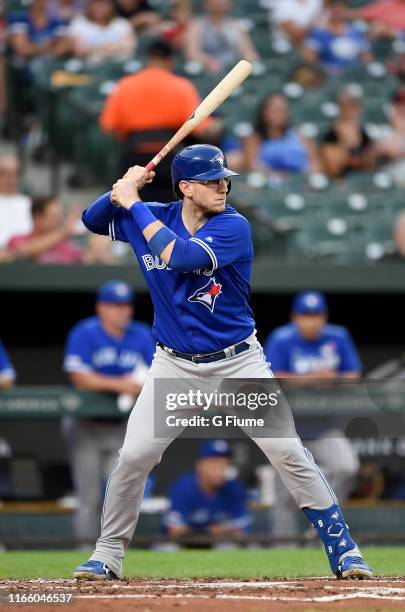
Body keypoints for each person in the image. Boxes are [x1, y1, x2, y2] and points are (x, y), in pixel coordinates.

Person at [72, 143, 372, 581]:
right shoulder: (152, 214)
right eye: (212, 180)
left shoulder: (233, 226)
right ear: (186, 187)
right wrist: (123, 186)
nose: (223, 186)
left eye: (224, 179)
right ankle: (108, 554)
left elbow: (182, 257)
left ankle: (343, 550)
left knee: (287, 451)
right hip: (174, 366)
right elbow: (92, 220)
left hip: (237, 365)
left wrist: (133, 200)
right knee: (135, 455)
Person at [264, 291, 361, 540]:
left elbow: (353, 376)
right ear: (295, 317)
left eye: (316, 315)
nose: (311, 321)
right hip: (288, 428)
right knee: (285, 494)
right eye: (306, 315)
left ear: (324, 317)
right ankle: (282, 550)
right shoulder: (281, 338)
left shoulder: (338, 337)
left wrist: (334, 378)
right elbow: (272, 377)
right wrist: (312, 379)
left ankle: (322, 530)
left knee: (347, 467)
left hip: (324, 426)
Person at [63, 280, 155, 544]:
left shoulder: (140, 334)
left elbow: (153, 373)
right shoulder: (85, 332)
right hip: (86, 425)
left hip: (121, 425)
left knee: (119, 492)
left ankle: (113, 549)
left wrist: (136, 386)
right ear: (101, 307)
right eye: (115, 305)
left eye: (125, 305)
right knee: (89, 495)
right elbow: (80, 377)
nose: (122, 311)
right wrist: (121, 385)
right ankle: (83, 550)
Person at [99, 40, 219, 201]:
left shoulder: (125, 85)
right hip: (168, 158)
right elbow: (202, 129)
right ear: (170, 61)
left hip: (133, 160)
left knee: (131, 214)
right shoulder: (181, 86)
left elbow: (107, 126)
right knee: (168, 218)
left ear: (148, 59)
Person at [163, 439, 250, 538]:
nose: (220, 469)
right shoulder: (183, 488)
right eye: (214, 463)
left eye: (224, 463)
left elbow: (242, 533)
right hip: (185, 544)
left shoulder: (234, 488)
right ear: (200, 466)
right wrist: (207, 532)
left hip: (220, 544)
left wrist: (222, 532)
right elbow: (174, 532)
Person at [243, 92, 319, 175]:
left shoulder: (301, 137)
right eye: (275, 110)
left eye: (283, 110)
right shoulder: (253, 139)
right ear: (264, 112)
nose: (280, 114)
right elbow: (252, 166)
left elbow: (316, 165)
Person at [183, 0, 258, 73]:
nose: (220, 3)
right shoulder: (197, 25)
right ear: (207, 4)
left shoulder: (236, 26)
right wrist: (208, 61)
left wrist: (247, 63)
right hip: (206, 70)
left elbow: (248, 52)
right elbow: (192, 52)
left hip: (232, 70)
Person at [6, 195, 83, 264]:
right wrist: (64, 231)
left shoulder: (66, 246)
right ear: (37, 217)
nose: (58, 220)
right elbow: (23, 251)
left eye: (59, 215)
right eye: (53, 216)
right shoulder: (17, 239)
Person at [320, 88, 377, 178]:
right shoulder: (331, 135)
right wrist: (346, 143)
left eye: (354, 106)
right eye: (346, 106)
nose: (350, 111)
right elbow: (333, 169)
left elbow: (372, 165)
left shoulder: (363, 134)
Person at [302, 0, 372, 74]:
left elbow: (366, 56)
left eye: (342, 8)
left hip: (354, 73)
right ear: (329, 9)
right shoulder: (318, 32)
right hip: (329, 74)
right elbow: (310, 57)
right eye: (335, 8)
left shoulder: (356, 30)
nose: (338, 11)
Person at [68, 0, 136, 65]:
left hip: (118, 66)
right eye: (95, 3)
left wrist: (97, 49)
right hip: (89, 66)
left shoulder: (121, 23)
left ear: (111, 6)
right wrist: (110, 47)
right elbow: (80, 50)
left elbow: (129, 47)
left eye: (103, 3)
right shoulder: (79, 23)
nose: (99, 7)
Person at [0, 155, 32, 249]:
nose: (10, 179)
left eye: (14, 174)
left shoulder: (29, 204)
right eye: (4, 174)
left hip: (25, 256)